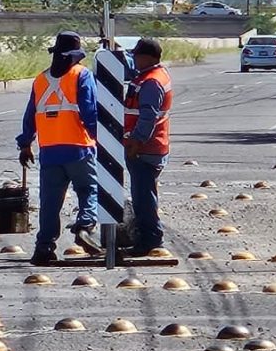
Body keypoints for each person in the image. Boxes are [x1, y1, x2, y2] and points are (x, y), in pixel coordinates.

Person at [17, 31, 102, 265]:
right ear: (75, 56)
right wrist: (100, 140)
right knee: (88, 190)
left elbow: (30, 116)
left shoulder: (40, 80)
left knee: (50, 202)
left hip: (49, 150)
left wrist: (25, 144)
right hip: (79, 147)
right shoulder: (81, 75)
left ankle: (44, 247)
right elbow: (90, 112)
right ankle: (85, 225)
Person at [122, 38, 172, 257]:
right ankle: (149, 236)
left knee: (144, 198)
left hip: (146, 148)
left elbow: (148, 116)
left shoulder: (151, 82)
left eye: (137, 56)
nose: (134, 59)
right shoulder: (151, 76)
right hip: (151, 146)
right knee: (144, 195)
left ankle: (150, 239)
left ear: (147, 57)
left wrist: (136, 141)